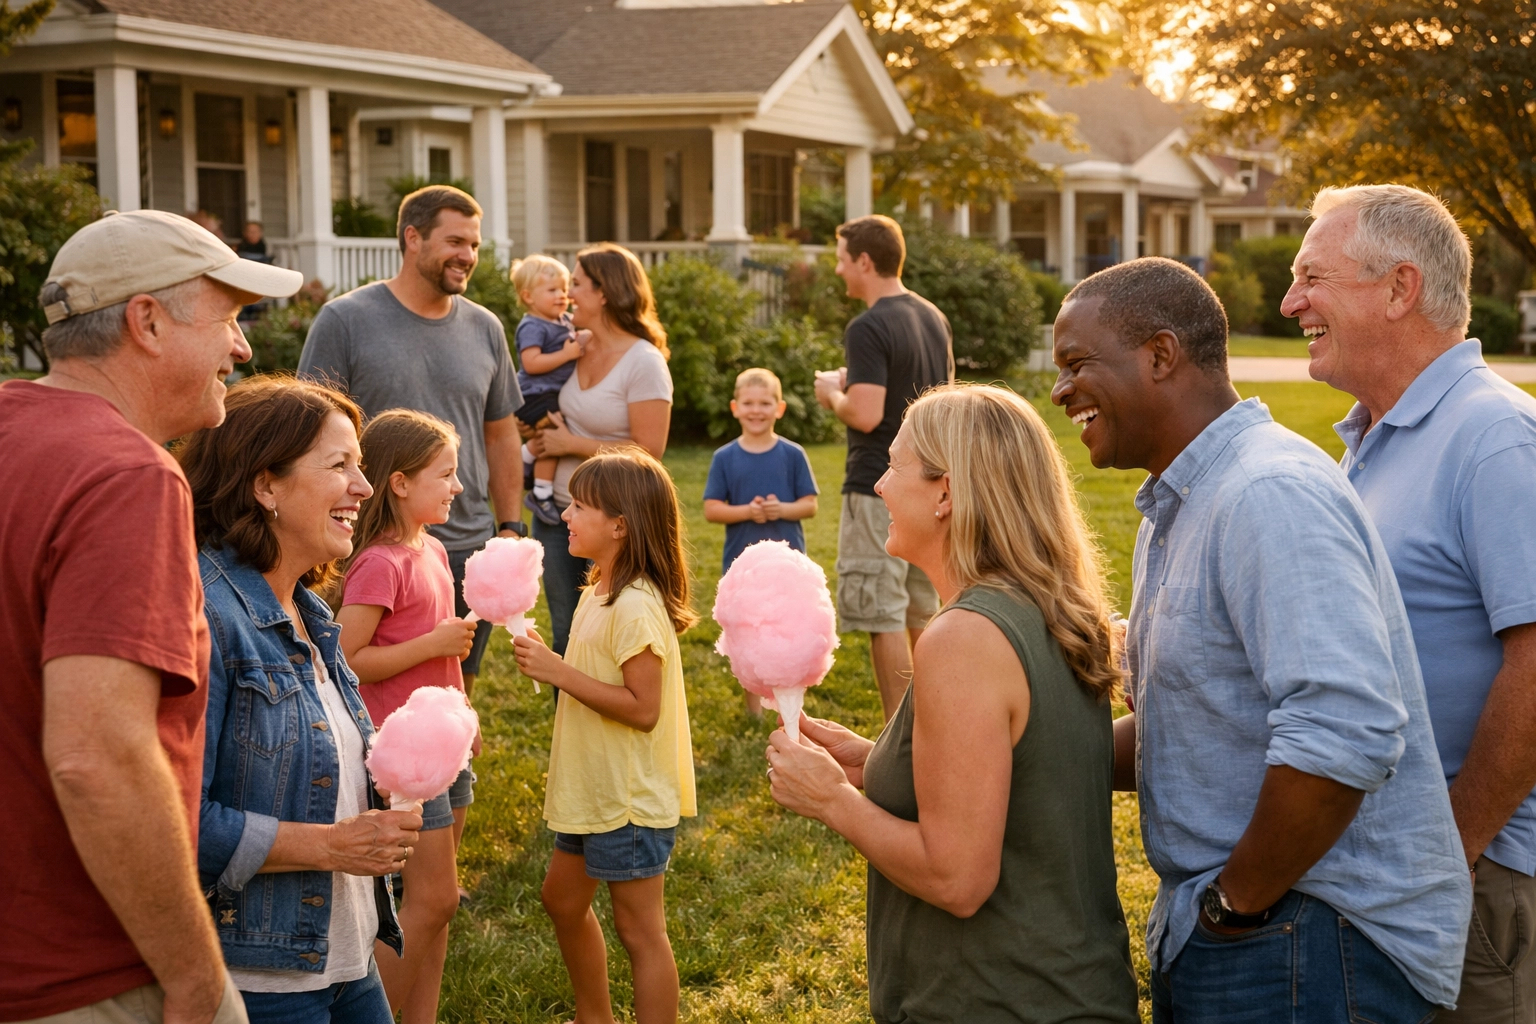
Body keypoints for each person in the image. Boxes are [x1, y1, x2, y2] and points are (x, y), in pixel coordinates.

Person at [1051, 257, 1471, 1021]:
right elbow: (1185, 729)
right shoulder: (1176, 510)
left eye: (1078, 363)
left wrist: (1233, 908)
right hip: (1259, 934)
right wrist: (995, 755)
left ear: (1160, 355)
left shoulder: (1266, 491)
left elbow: (1343, 735)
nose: (1060, 390)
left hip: (1308, 937)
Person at [1, 209, 300, 1024]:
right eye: (230, 318)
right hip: (89, 971)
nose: (242, 348)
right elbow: (96, 758)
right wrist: (196, 975)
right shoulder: (126, 475)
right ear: (147, 321)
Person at [764, 383, 1138, 1024]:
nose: (879, 486)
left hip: (999, 1001)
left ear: (946, 493)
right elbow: (1022, 775)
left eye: (894, 465)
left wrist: (833, 800)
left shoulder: (965, 637)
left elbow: (957, 879)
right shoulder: (1046, 608)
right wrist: (874, 762)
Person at [1281, 184, 1536, 1023]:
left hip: (1480, 876)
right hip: (1403, 875)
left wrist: (1452, 845)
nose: (1292, 303)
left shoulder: (1494, 437)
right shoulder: (1372, 439)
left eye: (1312, 277)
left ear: (1399, 288)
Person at [177, 377, 421, 1024]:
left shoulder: (310, 613)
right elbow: (177, 823)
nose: (365, 489)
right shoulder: (209, 616)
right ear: (266, 486)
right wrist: (331, 847)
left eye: (361, 467)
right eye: (340, 466)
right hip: (263, 983)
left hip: (350, 959)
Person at [298, 184, 525, 705]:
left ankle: (443, 777)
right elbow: (308, 429)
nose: (468, 255)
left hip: (464, 541)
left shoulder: (485, 327)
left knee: (453, 680)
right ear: (413, 238)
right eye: (455, 241)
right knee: (353, 687)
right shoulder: (346, 320)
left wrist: (509, 526)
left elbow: (501, 432)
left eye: (474, 244)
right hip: (365, 537)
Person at [511, 450, 697, 1024]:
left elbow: (644, 710)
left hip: (629, 800)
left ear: (619, 525)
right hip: (593, 793)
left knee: (640, 931)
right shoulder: (598, 593)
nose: (565, 514)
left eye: (579, 505)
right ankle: (595, 1016)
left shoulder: (637, 605)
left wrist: (559, 672)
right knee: (562, 901)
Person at [336, 409, 479, 1023]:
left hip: (443, 746)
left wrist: (465, 721)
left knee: (438, 904)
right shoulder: (379, 562)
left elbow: (440, 663)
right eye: (445, 474)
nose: (457, 487)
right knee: (432, 898)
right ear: (399, 481)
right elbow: (348, 659)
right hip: (402, 754)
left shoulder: (435, 551)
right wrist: (433, 645)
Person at [813, 214, 954, 721]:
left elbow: (867, 413)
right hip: (932, 484)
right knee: (922, 606)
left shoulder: (868, 325)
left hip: (879, 484)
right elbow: (941, 401)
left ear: (865, 261)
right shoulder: (933, 316)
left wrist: (832, 394)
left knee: (881, 609)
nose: (837, 270)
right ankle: (935, 721)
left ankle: (899, 735)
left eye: (841, 259)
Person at [524, 243, 673, 658]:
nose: (568, 292)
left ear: (603, 292)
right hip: (558, 513)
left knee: (607, 638)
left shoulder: (643, 362)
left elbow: (649, 451)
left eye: (576, 283)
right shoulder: (576, 348)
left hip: (616, 525)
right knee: (564, 635)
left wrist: (571, 445)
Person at [703, 367, 819, 715]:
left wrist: (782, 508)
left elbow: (810, 505)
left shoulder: (793, 454)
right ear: (734, 407)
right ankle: (753, 709)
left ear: (779, 408)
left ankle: (791, 705)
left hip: (787, 568)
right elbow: (711, 509)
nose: (756, 410)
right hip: (743, 570)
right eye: (748, 403)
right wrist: (746, 513)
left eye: (765, 403)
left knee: (790, 635)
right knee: (749, 638)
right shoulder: (724, 457)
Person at [510, 254, 589, 527]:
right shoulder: (532, 325)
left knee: (555, 434)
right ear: (528, 296)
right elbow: (531, 364)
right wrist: (567, 354)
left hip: (548, 394)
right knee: (557, 435)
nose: (562, 296)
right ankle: (541, 492)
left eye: (564, 290)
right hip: (534, 394)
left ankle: (527, 457)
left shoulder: (562, 319)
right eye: (553, 290)